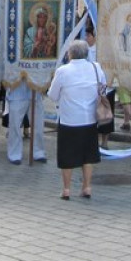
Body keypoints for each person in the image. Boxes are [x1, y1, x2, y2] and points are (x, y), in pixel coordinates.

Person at [47, 40, 103, 199]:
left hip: (69, 119)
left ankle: (66, 189)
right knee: (88, 155)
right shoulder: (96, 68)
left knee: (67, 155)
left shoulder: (63, 71)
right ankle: (87, 187)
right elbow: (104, 87)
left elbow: (52, 94)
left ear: (70, 54)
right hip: (90, 118)